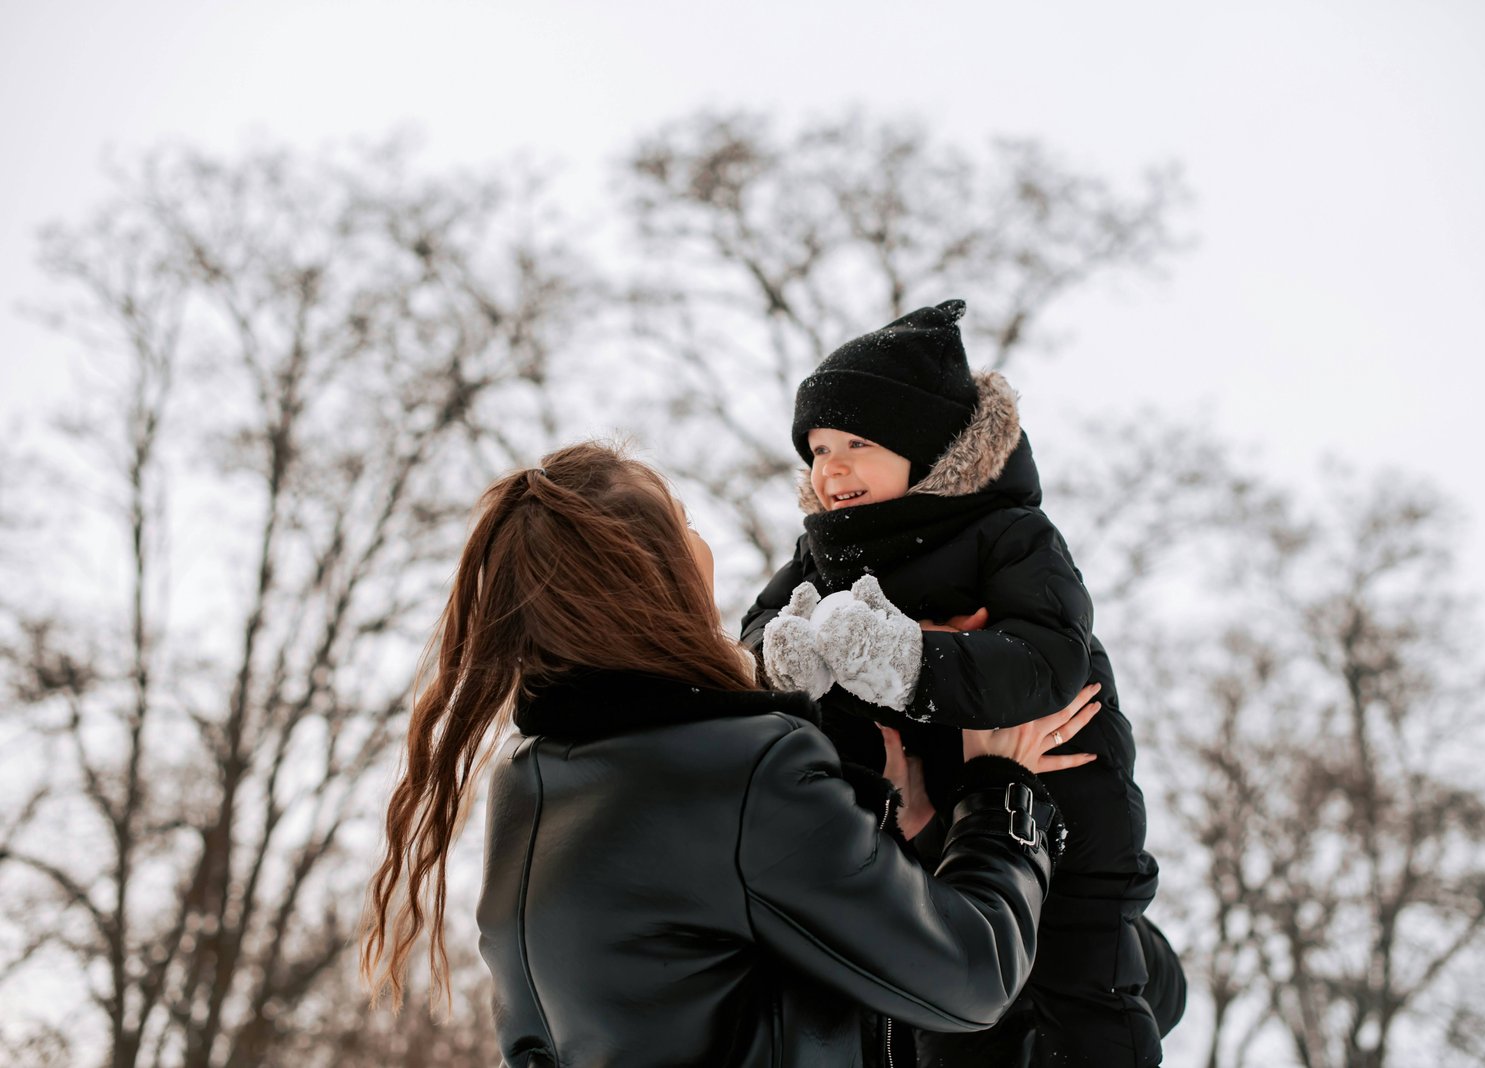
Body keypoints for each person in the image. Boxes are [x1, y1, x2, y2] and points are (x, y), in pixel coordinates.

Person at [358, 440, 1109, 1068]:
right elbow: (970, 974)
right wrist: (999, 789)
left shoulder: (528, 787)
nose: (703, 544)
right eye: (684, 523)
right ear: (652, 576)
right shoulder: (742, 769)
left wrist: (886, 829)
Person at [742, 300, 1187, 1066]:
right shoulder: (824, 553)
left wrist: (911, 663)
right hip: (939, 815)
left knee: (1086, 985)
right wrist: (781, 663)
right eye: (816, 449)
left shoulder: (1007, 534)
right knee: (955, 1012)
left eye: (856, 443)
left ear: (924, 447)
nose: (830, 468)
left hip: (1065, 789)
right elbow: (754, 638)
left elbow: (1047, 656)